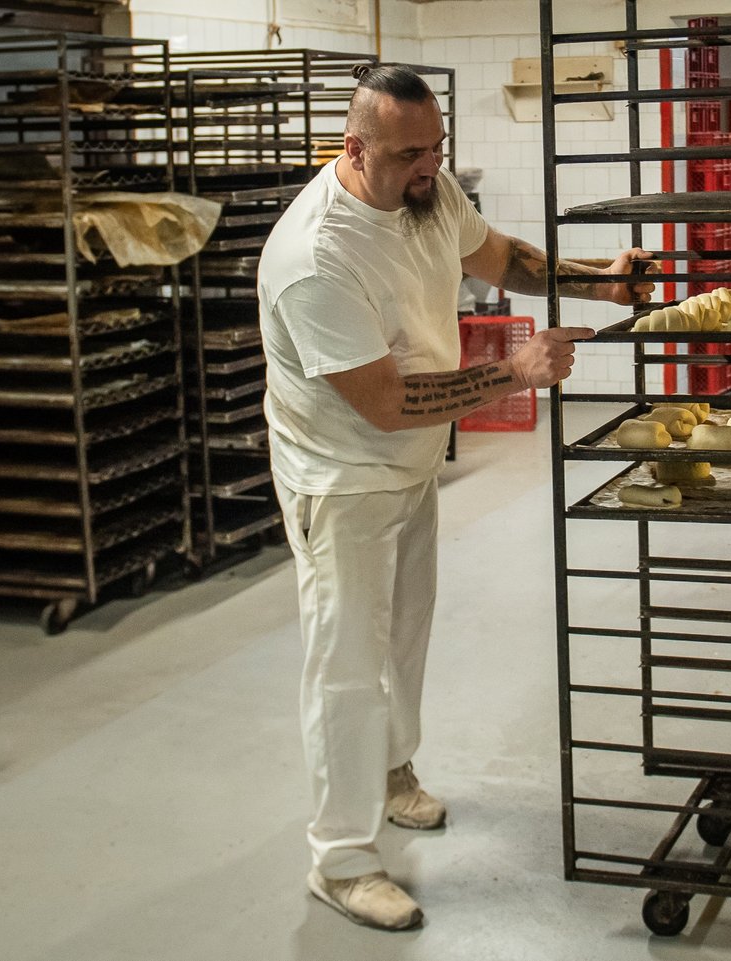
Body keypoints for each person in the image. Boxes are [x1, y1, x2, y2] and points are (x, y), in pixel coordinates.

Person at [257, 63, 653, 931]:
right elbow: (385, 401)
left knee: (403, 638)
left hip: (406, 466)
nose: (430, 167)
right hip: (342, 478)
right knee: (346, 669)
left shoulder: (427, 195)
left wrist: (599, 280)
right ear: (355, 149)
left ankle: (391, 770)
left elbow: (498, 256)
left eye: (437, 147)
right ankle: (341, 860)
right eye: (410, 154)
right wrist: (512, 372)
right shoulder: (315, 257)